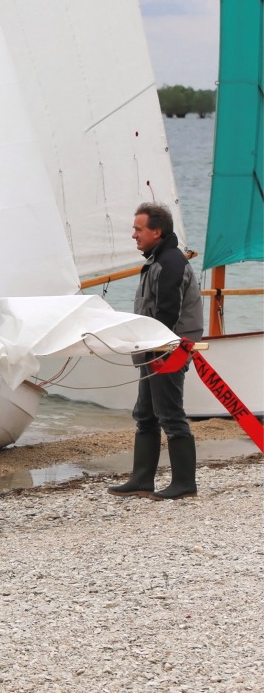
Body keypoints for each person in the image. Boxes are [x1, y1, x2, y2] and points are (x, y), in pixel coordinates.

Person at [108, 202, 204, 501]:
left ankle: (185, 484)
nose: (134, 235)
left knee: (170, 414)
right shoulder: (157, 260)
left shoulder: (170, 263)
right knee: (146, 414)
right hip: (154, 348)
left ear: (157, 231)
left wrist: (154, 347)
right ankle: (141, 480)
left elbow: (167, 314)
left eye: (139, 229)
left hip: (169, 348)